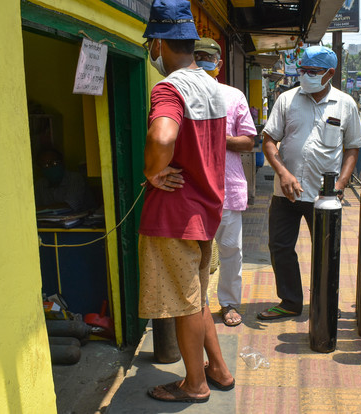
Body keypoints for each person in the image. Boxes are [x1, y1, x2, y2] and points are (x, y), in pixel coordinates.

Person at [138, 0, 233, 403]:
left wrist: (151, 172)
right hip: (208, 210)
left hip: (176, 214)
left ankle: (194, 384)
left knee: (185, 305)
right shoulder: (212, 85)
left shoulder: (169, 87)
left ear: (158, 43)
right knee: (198, 297)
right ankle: (220, 371)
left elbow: (162, 137)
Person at [257, 46, 361, 320]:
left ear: (330, 73)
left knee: (325, 251)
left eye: (313, 72)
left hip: (324, 196)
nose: (305, 76)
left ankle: (326, 302)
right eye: (303, 70)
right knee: (280, 247)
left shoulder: (345, 104)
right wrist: (282, 172)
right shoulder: (286, 99)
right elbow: (269, 140)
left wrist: (341, 184)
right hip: (286, 193)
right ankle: (290, 301)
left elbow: (353, 147)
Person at [194, 37, 257, 327]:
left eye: (210, 58)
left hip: (228, 188)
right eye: (199, 57)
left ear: (219, 63)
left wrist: (220, 138)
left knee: (231, 250)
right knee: (195, 253)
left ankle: (229, 303)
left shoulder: (234, 96)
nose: (205, 62)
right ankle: (198, 304)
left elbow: (248, 141)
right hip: (193, 189)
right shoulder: (181, 93)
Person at [34, 148, 95, 212]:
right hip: (53, 221)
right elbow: (34, 208)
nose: (50, 167)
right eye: (45, 165)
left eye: (54, 163)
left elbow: (70, 206)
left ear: (62, 163)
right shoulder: (40, 184)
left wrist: (42, 209)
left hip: (85, 220)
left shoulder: (75, 178)